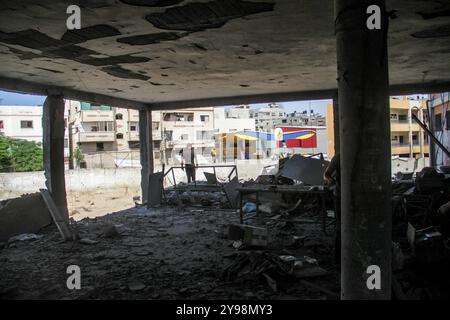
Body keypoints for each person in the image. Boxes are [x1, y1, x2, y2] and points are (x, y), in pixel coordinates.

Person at [323, 153, 341, 265]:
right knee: (341, 227)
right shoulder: (339, 157)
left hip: (357, 197)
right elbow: (327, 174)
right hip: (341, 196)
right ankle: (338, 259)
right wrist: (331, 181)